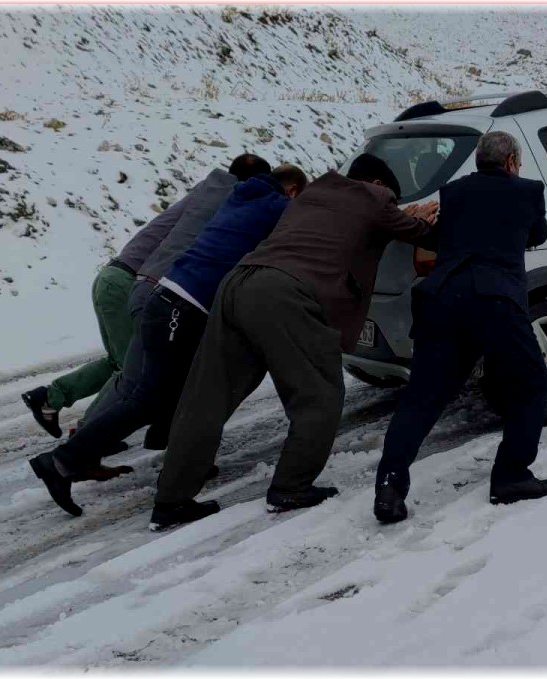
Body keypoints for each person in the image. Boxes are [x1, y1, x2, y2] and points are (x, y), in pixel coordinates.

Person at [147, 154, 439, 531]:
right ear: (380, 185)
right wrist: (420, 218)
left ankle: (171, 501)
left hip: (240, 282)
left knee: (207, 397)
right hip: (288, 293)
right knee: (319, 396)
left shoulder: (313, 191)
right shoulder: (373, 197)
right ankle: (290, 487)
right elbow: (418, 231)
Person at [28, 165, 308, 517]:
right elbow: (312, 221)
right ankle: (61, 461)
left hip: (166, 297)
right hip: (181, 306)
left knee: (159, 392)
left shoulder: (240, 197)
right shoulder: (272, 206)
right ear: (292, 191)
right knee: (145, 397)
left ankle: (96, 458)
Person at [374, 131, 547, 525]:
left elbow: (442, 238)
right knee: (531, 385)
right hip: (495, 302)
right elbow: (538, 235)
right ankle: (510, 477)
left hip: (442, 300)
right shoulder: (527, 191)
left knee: (422, 398)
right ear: (511, 162)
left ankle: (389, 487)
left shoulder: (452, 192)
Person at [20, 154, 272, 440]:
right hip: (130, 283)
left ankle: (50, 399)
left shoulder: (206, 193)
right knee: (135, 373)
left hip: (113, 278)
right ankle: (85, 438)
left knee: (122, 361)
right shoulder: (224, 202)